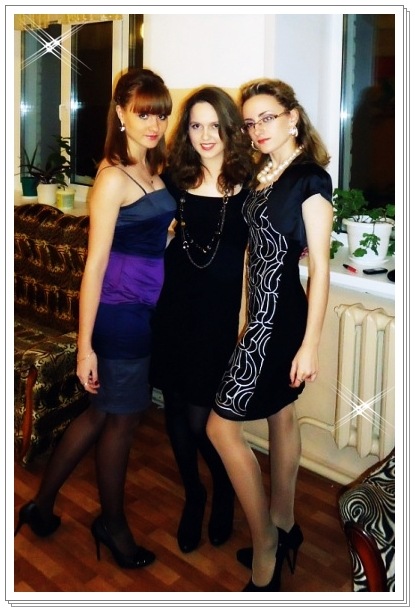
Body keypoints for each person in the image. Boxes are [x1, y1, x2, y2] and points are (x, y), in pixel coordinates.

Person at [14, 68, 176, 569]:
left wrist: (168, 235)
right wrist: (85, 347)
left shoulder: (152, 166)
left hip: (145, 310)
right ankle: (113, 525)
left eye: (161, 114)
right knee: (121, 423)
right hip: (120, 314)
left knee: (100, 413)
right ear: (121, 113)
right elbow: (95, 265)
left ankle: (41, 507)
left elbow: (147, 234)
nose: (154, 124)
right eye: (144, 113)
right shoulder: (111, 178)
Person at [207, 77, 333, 591]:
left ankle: (266, 544)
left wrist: (310, 345)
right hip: (260, 314)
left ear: (293, 117)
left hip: (280, 321)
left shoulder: (310, 179)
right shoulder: (264, 172)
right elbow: (252, 254)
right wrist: (244, 312)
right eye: (250, 121)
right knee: (281, 413)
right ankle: (284, 523)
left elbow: (319, 268)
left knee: (220, 429)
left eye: (268, 117)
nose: (258, 128)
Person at [150, 86, 253, 553]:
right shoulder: (174, 180)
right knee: (175, 408)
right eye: (195, 125)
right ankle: (194, 494)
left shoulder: (251, 186)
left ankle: (224, 489)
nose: (205, 135)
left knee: (206, 419)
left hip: (218, 319)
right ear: (185, 131)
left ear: (230, 129)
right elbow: (144, 227)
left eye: (214, 125)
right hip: (173, 309)